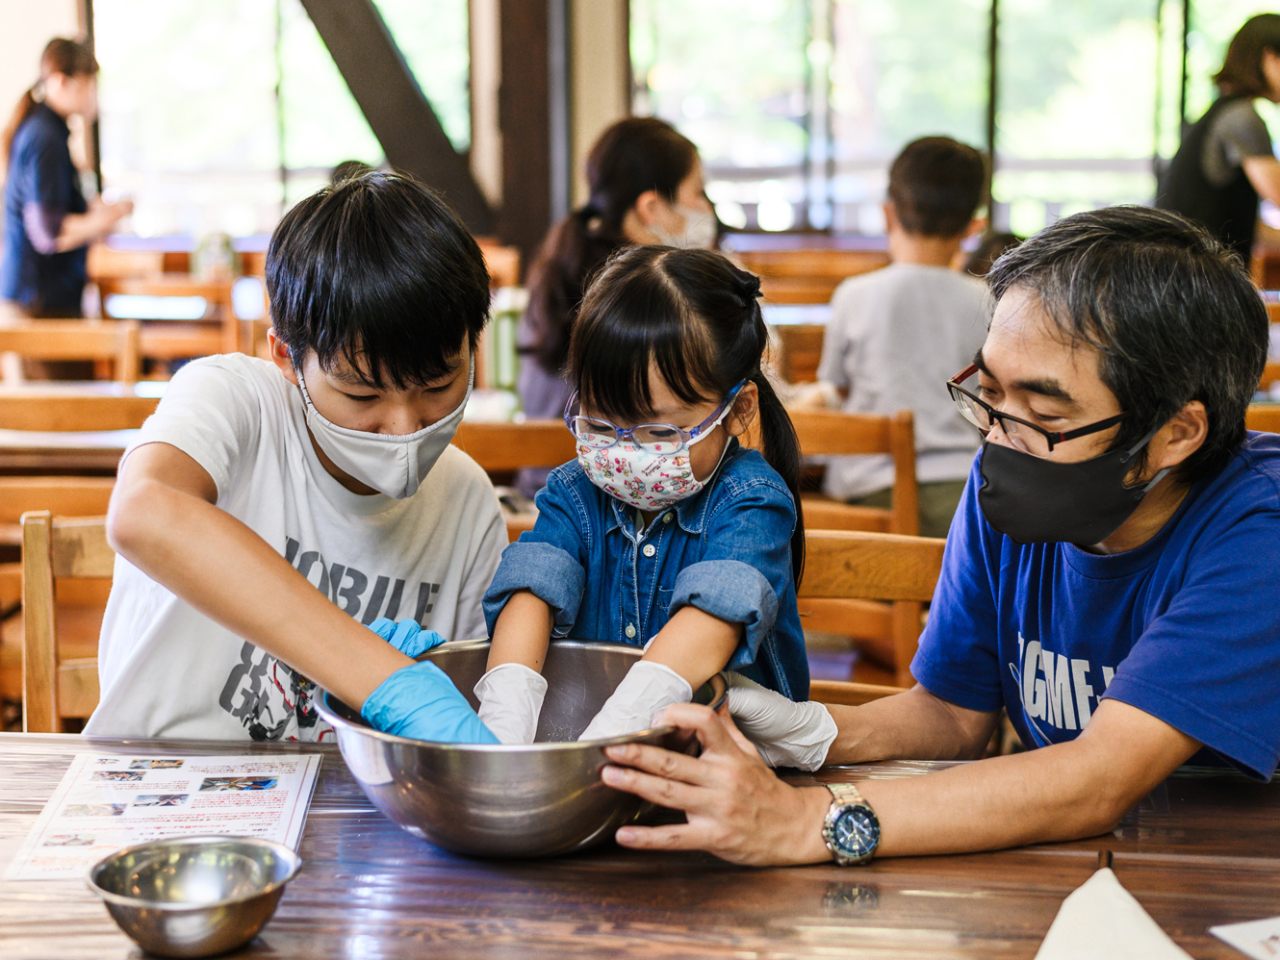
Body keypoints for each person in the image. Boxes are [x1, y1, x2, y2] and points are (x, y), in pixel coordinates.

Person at [599, 206, 1280, 866]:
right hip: (1074, 868)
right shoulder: (1017, 478)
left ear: (1177, 433)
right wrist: (811, 731)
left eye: (1042, 413)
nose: (995, 437)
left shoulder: (1256, 534)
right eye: (989, 392)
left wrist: (809, 820)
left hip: (1228, 876)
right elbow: (955, 714)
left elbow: (1099, 780)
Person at [86, 172, 505, 744]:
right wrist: (383, 678)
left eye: (438, 385)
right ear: (286, 355)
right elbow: (143, 511)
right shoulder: (238, 401)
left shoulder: (466, 502)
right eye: (361, 394)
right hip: (161, 785)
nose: (404, 428)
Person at [477, 246, 808, 744]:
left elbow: (713, 615)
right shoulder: (574, 493)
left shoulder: (751, 501)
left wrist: (614, 733)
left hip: (730, 766)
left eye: (661, 432)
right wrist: (507, 711)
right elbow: (533, 588)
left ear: (737, 410)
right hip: (595, 759)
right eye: (602, 424)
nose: (626, 450)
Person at [515, 117, 716, 497]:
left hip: (541, 490)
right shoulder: (653, 293)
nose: (707, 209)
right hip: (606, 504)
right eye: (698, 193)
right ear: (652, 207)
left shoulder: (561, 266)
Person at [814, 136, 991, 538]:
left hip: (871, 491)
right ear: (973, 226)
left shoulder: (853, 295)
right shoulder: (989, 301)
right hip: (964, 495)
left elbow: (835, 390)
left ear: (886, 214)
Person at [1, 38, 132, 322]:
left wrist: (91, 211)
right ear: (62, 82)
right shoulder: (45, 138)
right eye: (87, 84)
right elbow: (48, 232)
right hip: (37, 303)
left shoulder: (46, 130)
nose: (92, 94)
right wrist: (109, 217)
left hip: (39, 298)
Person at [1157, 13, 1280, 266]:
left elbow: (1235, 220)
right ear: (1269, 58)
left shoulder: (1219, 112)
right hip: (1196, 277)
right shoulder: (1241, 117)